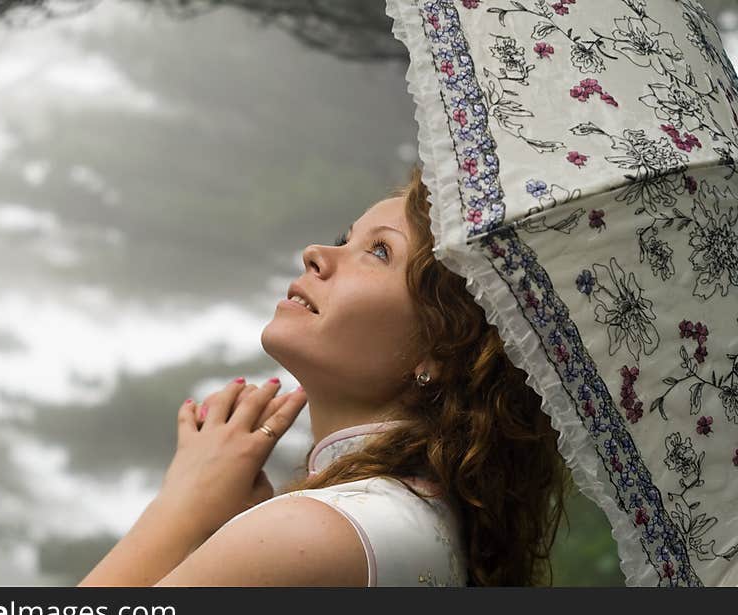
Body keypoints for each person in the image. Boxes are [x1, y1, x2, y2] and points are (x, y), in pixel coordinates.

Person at [79, 165, 574, 587]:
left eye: (380, 252)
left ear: (444, 348)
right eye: (347, 238)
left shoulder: (314, 531)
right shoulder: (417, 523)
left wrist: (183, 506)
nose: (317, 252)